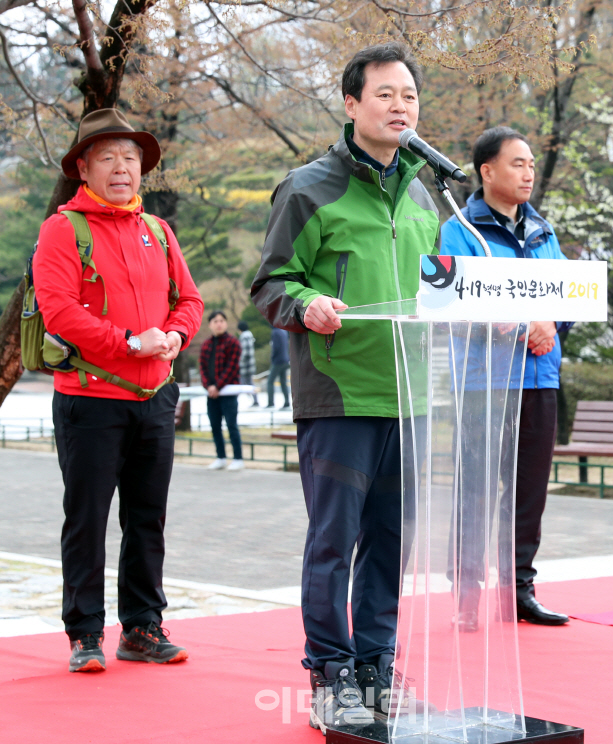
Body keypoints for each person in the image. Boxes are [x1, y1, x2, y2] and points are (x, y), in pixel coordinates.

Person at [251, 43, 441, 732]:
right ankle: (330, 673)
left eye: (410, 96)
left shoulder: (424, 192)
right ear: (352, 104)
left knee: (391, 543)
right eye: (386, 94)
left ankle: (377, 663)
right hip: (338, 395)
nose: (400, 106)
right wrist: (305, 307)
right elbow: (270, 285)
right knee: (335, 541)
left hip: (409, 396)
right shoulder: (308, 187)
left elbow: (442, 292)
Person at [33, 108, 204, 673]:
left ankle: (141, 626)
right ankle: (85, 632)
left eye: (130, 157)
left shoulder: (158, 230)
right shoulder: (63, 229)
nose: (121, 167)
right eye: (106, 156)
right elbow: (58, 312)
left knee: (147, 516)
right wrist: (130, 343)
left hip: (154, 398)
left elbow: (190, 301)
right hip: (89, 399)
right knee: (86, 517)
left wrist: (174, 336)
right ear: (83, 168)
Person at [440, 126, 571, 627]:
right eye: (517, 163)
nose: (528, 172)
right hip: (482, 381)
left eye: (531, 163)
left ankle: (518, 589)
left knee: (528, 491)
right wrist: (519, 322)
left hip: (539, 378)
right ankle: (467, 596)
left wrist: (549, 324)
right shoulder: (459, 230)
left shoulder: (544, 231)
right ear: (487, 171)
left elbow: (564, 296)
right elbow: (451, 300)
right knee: (475, 489)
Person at [199, 310, 244, 471]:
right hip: (211, 394)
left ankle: (238, 458)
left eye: (221, 320)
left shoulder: (233, 343)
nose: (219, 324)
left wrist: (217, 386)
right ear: (210, 324)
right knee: (215, 426)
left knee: (232, 425)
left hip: (228, 392)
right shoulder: (206, 345)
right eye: (215, 321)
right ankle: (221, 457)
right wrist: (209, 386)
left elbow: (232, 368)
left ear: (226, 323)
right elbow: (203, 369)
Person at [266, 327, 290, 409]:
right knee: (283, 382)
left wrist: (272, 358)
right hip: (285, 359)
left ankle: (270, 402)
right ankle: (287, 402)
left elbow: (275, 347)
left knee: (270, 381)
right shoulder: (284, 331)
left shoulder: (275, 332)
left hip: (278, 361)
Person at [237, 320, 259, 406]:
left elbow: (244, 353)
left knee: (240, 383)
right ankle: (255, 400)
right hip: (250, 364)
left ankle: (233, 400)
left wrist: (239, 361)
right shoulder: (249, 336)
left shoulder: (244, 337)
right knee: (249, 383)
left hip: (245, 365)